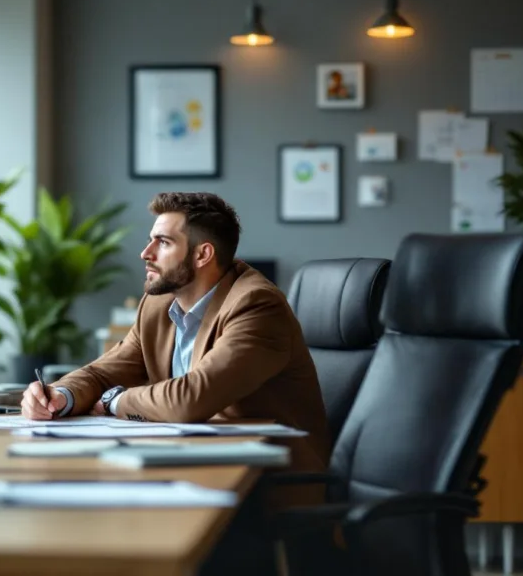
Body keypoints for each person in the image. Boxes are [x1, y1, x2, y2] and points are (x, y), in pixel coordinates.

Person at [21, 191, 330, 509]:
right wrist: (60, 396)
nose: (145, 253)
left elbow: (191, 399)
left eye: (163, 243)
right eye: (150, 240)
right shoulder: (157, 304)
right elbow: (103, 371)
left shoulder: (256, 305)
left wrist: (116, 400)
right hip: (186, 467)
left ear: (202, 255)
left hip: (262, 487)